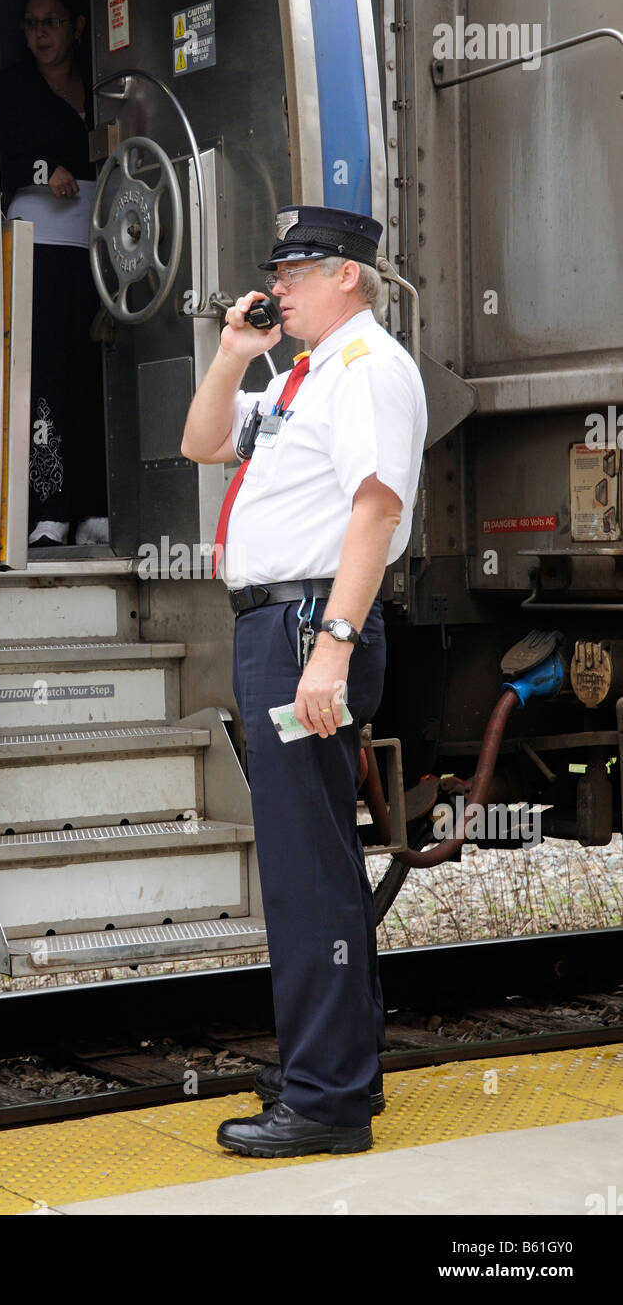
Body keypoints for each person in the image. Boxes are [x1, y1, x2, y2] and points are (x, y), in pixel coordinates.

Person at [181, 205, 427, 1156]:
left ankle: (326, 1102)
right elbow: (206, 443)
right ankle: (333, 1067)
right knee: (311, 853)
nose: (276, 285)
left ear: (349, 278)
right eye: (275, 272)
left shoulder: (368, 372)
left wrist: (331, 643)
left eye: (297, 270)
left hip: (304, 627)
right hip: (279, 628)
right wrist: (231, 352)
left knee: (306, 865)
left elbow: (374, 510)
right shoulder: (300, 378)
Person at [0, 0, 108, 549]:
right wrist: (44, 170)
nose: (41, 34)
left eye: (52, 22)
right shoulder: (11, 87)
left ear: (77, 27)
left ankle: (93, 510)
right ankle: (48, 511)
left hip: (100, 248)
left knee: (91, 375)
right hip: (38, 243)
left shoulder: (103, 82)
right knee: (43, 377)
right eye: (32, 23)